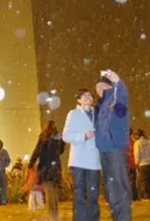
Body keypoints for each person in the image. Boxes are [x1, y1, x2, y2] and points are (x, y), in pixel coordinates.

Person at [94, 70, 131, 221]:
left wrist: (118, 81)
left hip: (115, 148)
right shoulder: (101, 106)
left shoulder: (114, 99)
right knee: (110, 189)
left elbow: (122, 100)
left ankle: (124, 218)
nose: (100, 89)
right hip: (104, 151)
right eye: (98, 87)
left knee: (119, 187)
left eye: (104, 86)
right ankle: (118, 217)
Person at [63, 88, 101, 221]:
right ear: (78, 100)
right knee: (79, 194)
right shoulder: (73, 114)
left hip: (94, 160)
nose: (88, 97)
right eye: (84, 96)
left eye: (89, 95)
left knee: (93, 194)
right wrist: (83, 136)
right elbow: (66, 136)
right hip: (78, 160)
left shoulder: (98, 113)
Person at [29, 120, 65, 221]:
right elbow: (61, 151)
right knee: (53, 191)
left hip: (46, 167)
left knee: (49, 191)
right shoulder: (59, 138)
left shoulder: (44, 137)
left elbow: (37, 150)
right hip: (56, 168)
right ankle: (55, 214)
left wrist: (31, 162)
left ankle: (52, 216)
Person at [134, 129, 150, 201]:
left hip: (143, 164)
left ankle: (146, 197)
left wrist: (137, 163)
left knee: (143, 181)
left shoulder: (137, 143)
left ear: (138, 135)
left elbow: (137, 154)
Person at [128, 128, 138, 201]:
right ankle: (133, 196)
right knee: (133, 182)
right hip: (133, 164)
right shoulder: (135, 142)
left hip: (125, 165)